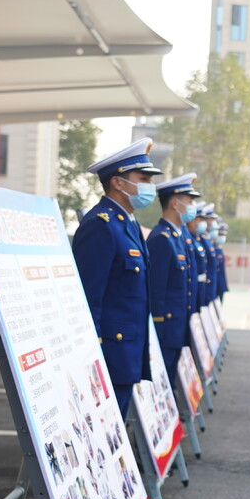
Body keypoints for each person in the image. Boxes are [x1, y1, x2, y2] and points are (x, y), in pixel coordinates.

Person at [73, 138, 160, 418]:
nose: (150, 187)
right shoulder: (101, 225)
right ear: (118, 183)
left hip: (127, 352)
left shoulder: (128, 224)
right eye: (143, 179)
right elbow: (89, 299)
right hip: (109, 353)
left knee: (116, 427)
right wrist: (92, 355)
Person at [148, 173, 200, 385]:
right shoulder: (161, 238)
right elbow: (156, 290)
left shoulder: (176, 237)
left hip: (177, 327)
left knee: (169, 379)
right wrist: (158, 328)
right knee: (162, 380)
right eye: (189, 201)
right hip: (166, 329)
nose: (192, 206)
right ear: (174, 203)